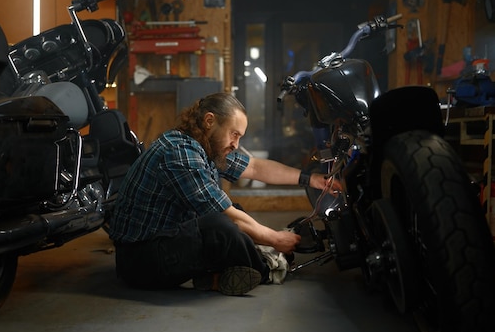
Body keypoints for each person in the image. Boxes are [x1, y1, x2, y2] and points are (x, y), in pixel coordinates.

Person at [108, 92, 340, 296]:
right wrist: (275, 238)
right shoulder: (180, 152)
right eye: (234, 134)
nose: (236, 144)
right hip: (139, 262)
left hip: (163, 244)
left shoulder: (204, 147)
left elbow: (255, 168)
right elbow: (224, 216)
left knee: (234, 217)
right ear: (210, 121)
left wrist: (310, 179)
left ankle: (219, 277)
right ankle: (266, 267)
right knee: (223, 226)